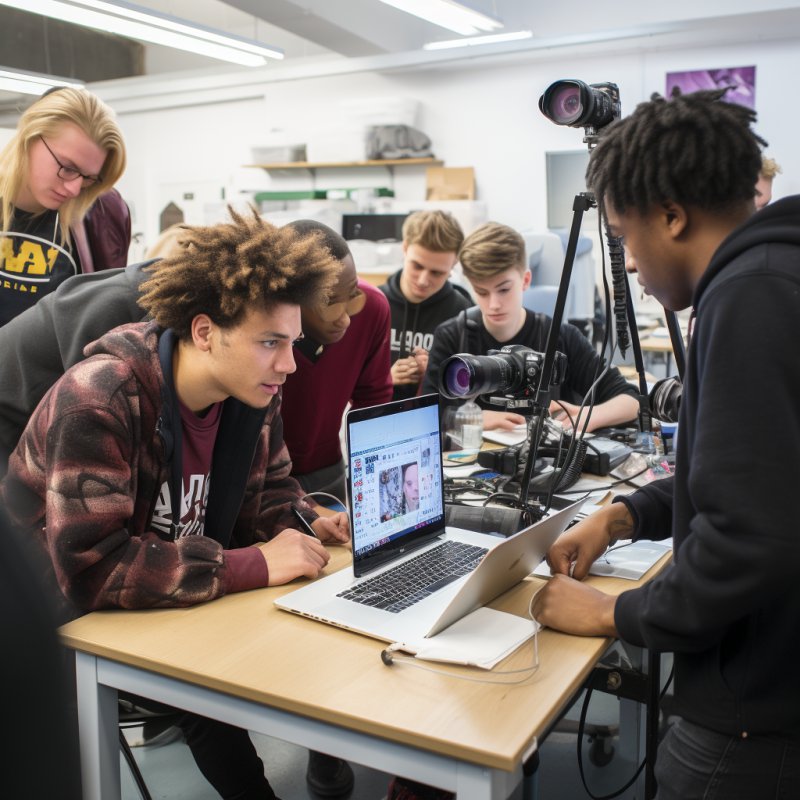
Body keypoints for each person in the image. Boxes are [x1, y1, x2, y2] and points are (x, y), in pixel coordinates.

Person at [0, 208, 352, 800]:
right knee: (201, 703)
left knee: (227, 691)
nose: (290, 363)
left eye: (291, 343)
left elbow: (270, 491)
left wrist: (308, 518)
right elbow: (92, 568)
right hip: (66, 616)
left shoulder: (251, 393)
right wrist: (255, 563)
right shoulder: (100, 399)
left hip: (163, 591)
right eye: (271, 343)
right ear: (205, 331)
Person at [532, 89, 800, 798]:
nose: (627, 266)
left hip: (760, 714)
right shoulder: (775, 274)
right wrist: (629, 513)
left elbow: (751, 535)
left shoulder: (750, 295)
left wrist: (610, 613)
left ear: (672, 216)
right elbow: (761, 470)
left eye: (621, 236)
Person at [422, 222, 639, 433]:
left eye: (504, 289)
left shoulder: (561, 338)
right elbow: (427, 416)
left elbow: (631, 399)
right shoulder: (452, 336)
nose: (494, 304)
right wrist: (472, 419)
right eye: (482, 292)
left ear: (525, 280)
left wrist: (587, 416)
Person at [281, 219, 394, 505]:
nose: (345, 317)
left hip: (327, 470)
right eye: (330, 301)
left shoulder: (372, 310)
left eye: (353, 295)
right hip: (257, 480)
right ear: (291, 296)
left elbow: (374, 399)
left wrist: (372, 488)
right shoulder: (259, 327)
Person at [0, 86, 128, 326]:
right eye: (68, 168)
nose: (74, 190)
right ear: (31, 136)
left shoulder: (101, 214)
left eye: (88, 177)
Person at [379, 210, 472, 401]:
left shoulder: (463, 313)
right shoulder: (375, 304)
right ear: (405, 248)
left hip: (435, 421)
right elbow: (347, 378)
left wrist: (437, 373)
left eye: (437, 273)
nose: (423, 281)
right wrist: (384, 379)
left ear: (454, 263)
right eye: (417, 266)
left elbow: (469, 390)